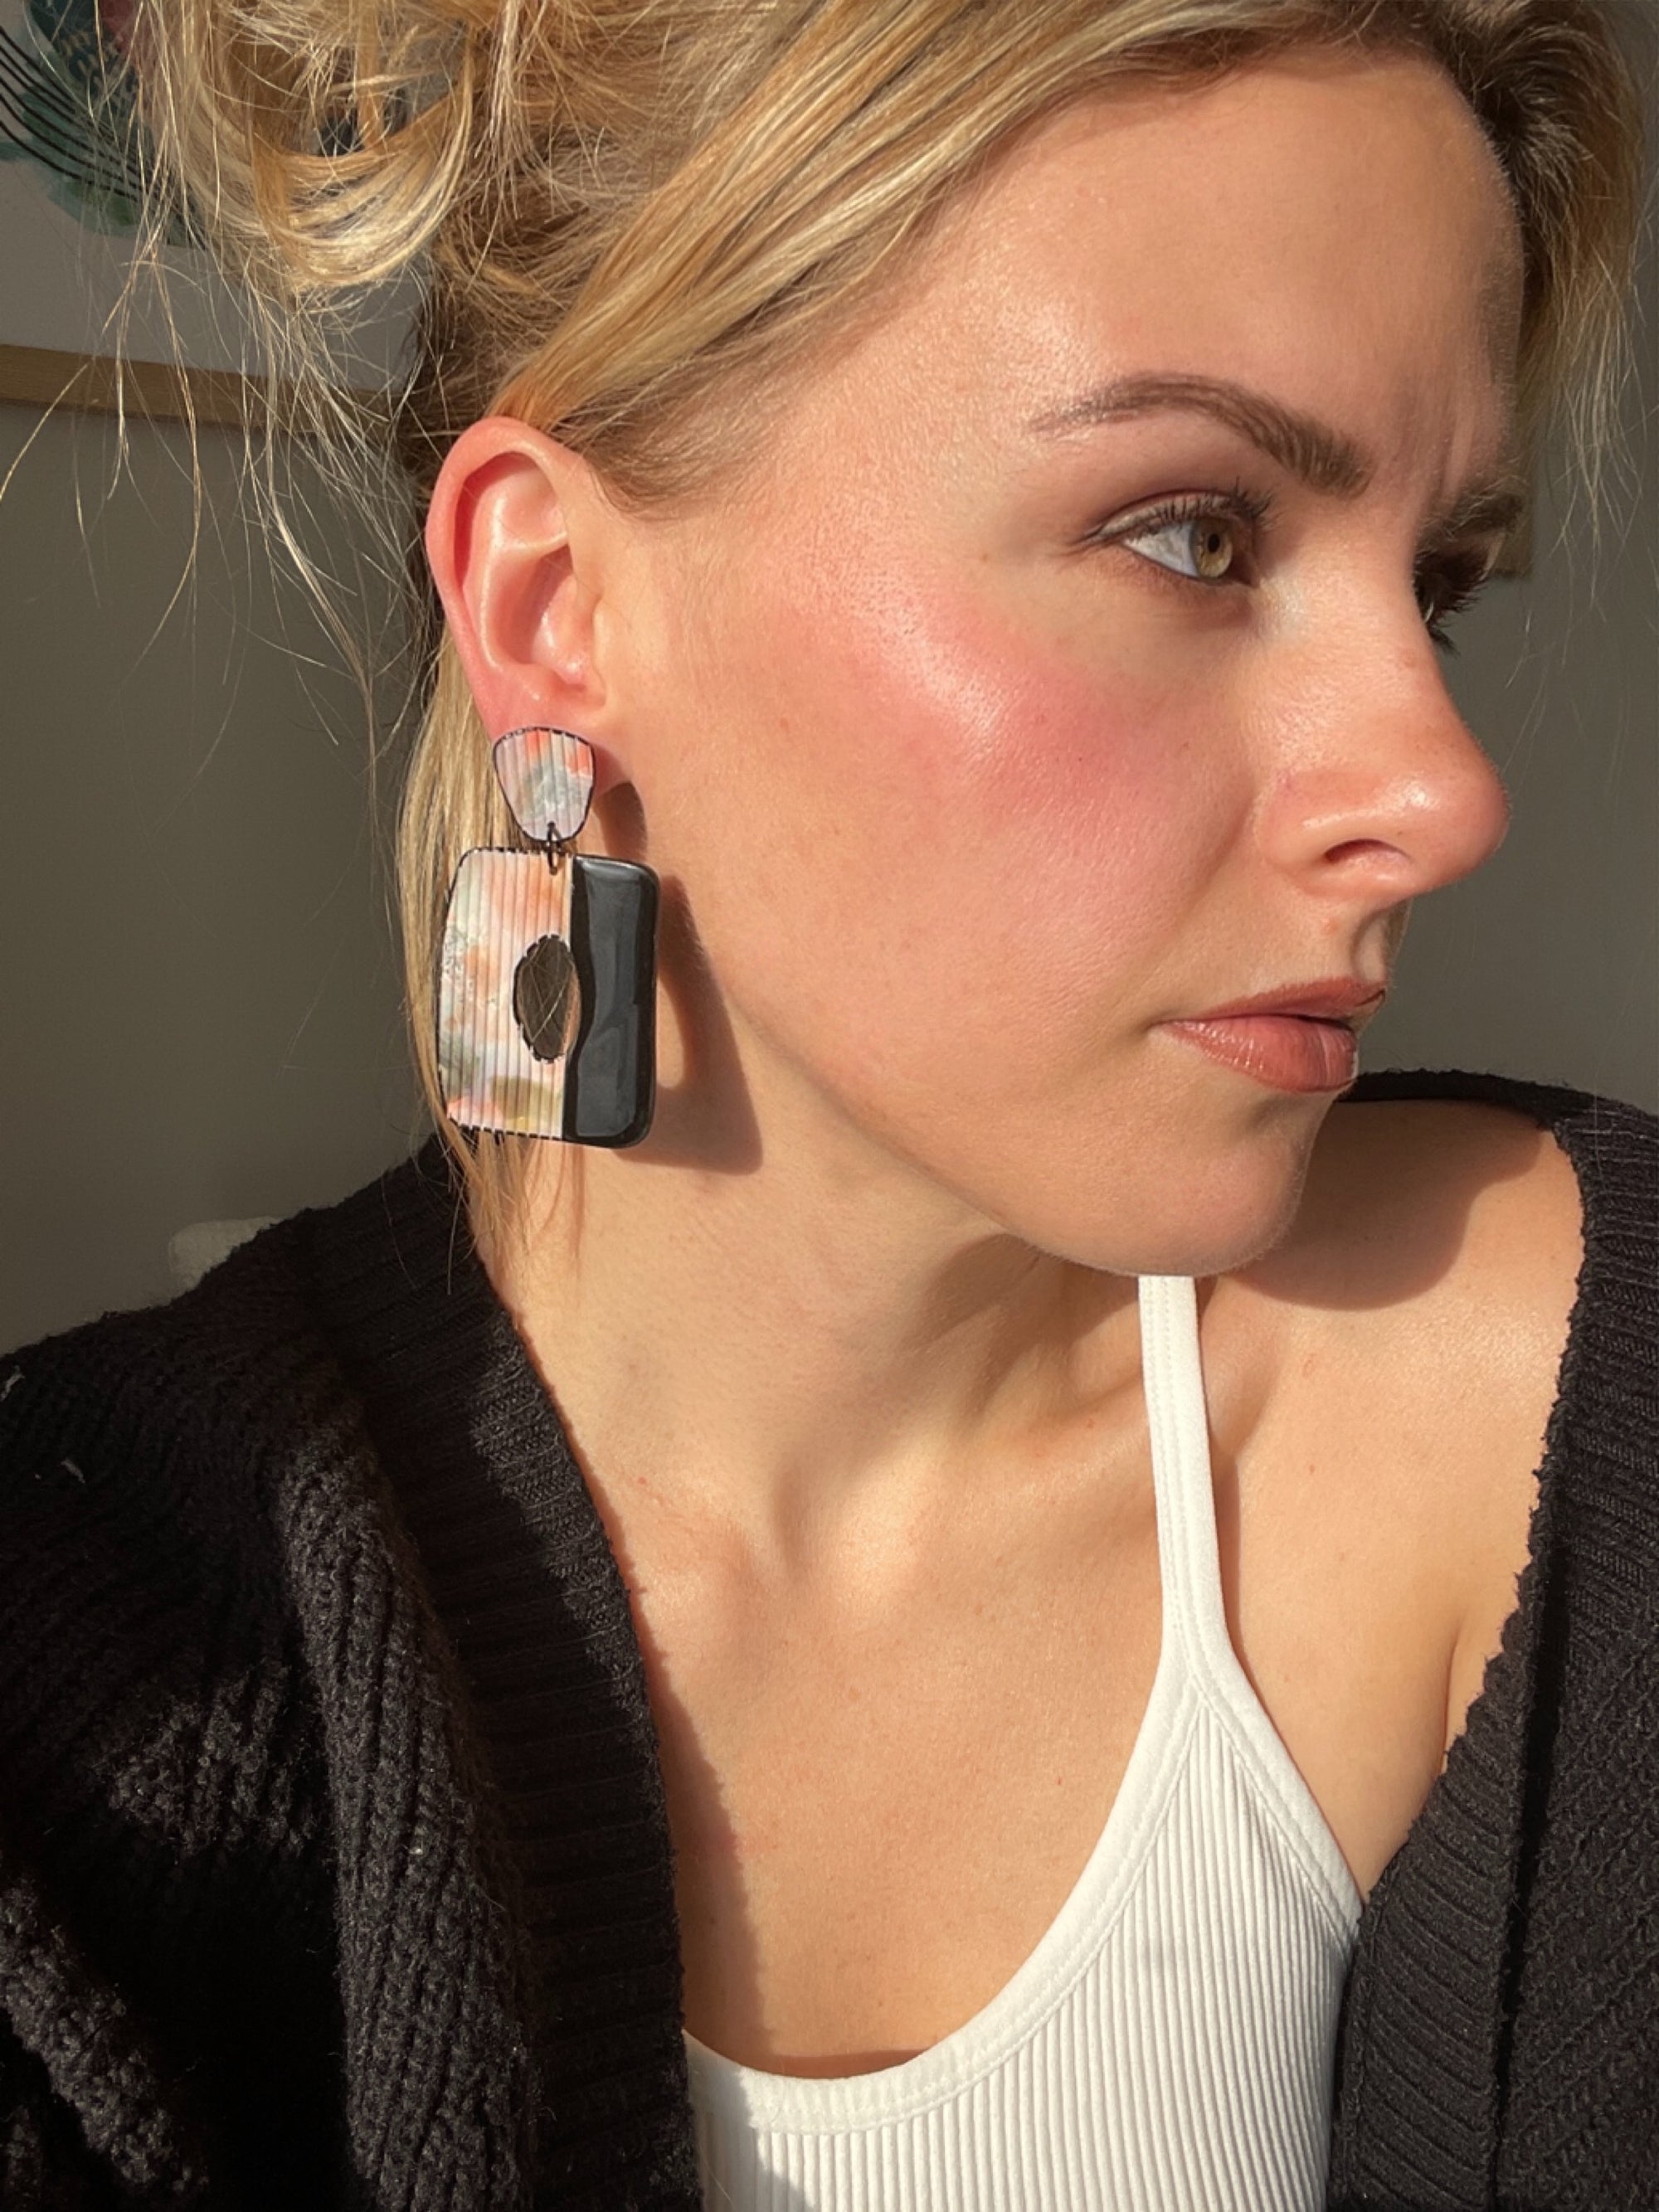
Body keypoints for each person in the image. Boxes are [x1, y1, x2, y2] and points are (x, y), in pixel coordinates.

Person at [1, 1, 1653, 2206]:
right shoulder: (94, 1674)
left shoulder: (1564, 1408)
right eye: (1190, 533)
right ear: (558, 609)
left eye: (1433, 583)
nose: (1444, 789)